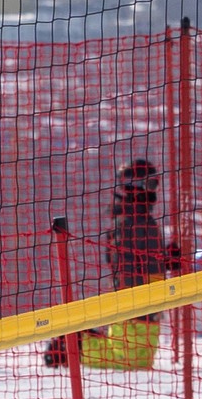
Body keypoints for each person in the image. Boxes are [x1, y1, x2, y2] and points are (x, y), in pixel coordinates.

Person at [43, 158, 182, 368]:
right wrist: (134, 301)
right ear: (137, 186)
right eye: (151, 184)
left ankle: (80, 340)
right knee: (130, 361)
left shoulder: (143, 220)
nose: (154, 191)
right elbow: (124, 265)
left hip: (152, 298)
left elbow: (145, 259)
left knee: (140, 360)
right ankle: (72, 345)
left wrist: (167, 260)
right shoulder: (127, 222)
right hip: (136, 302)